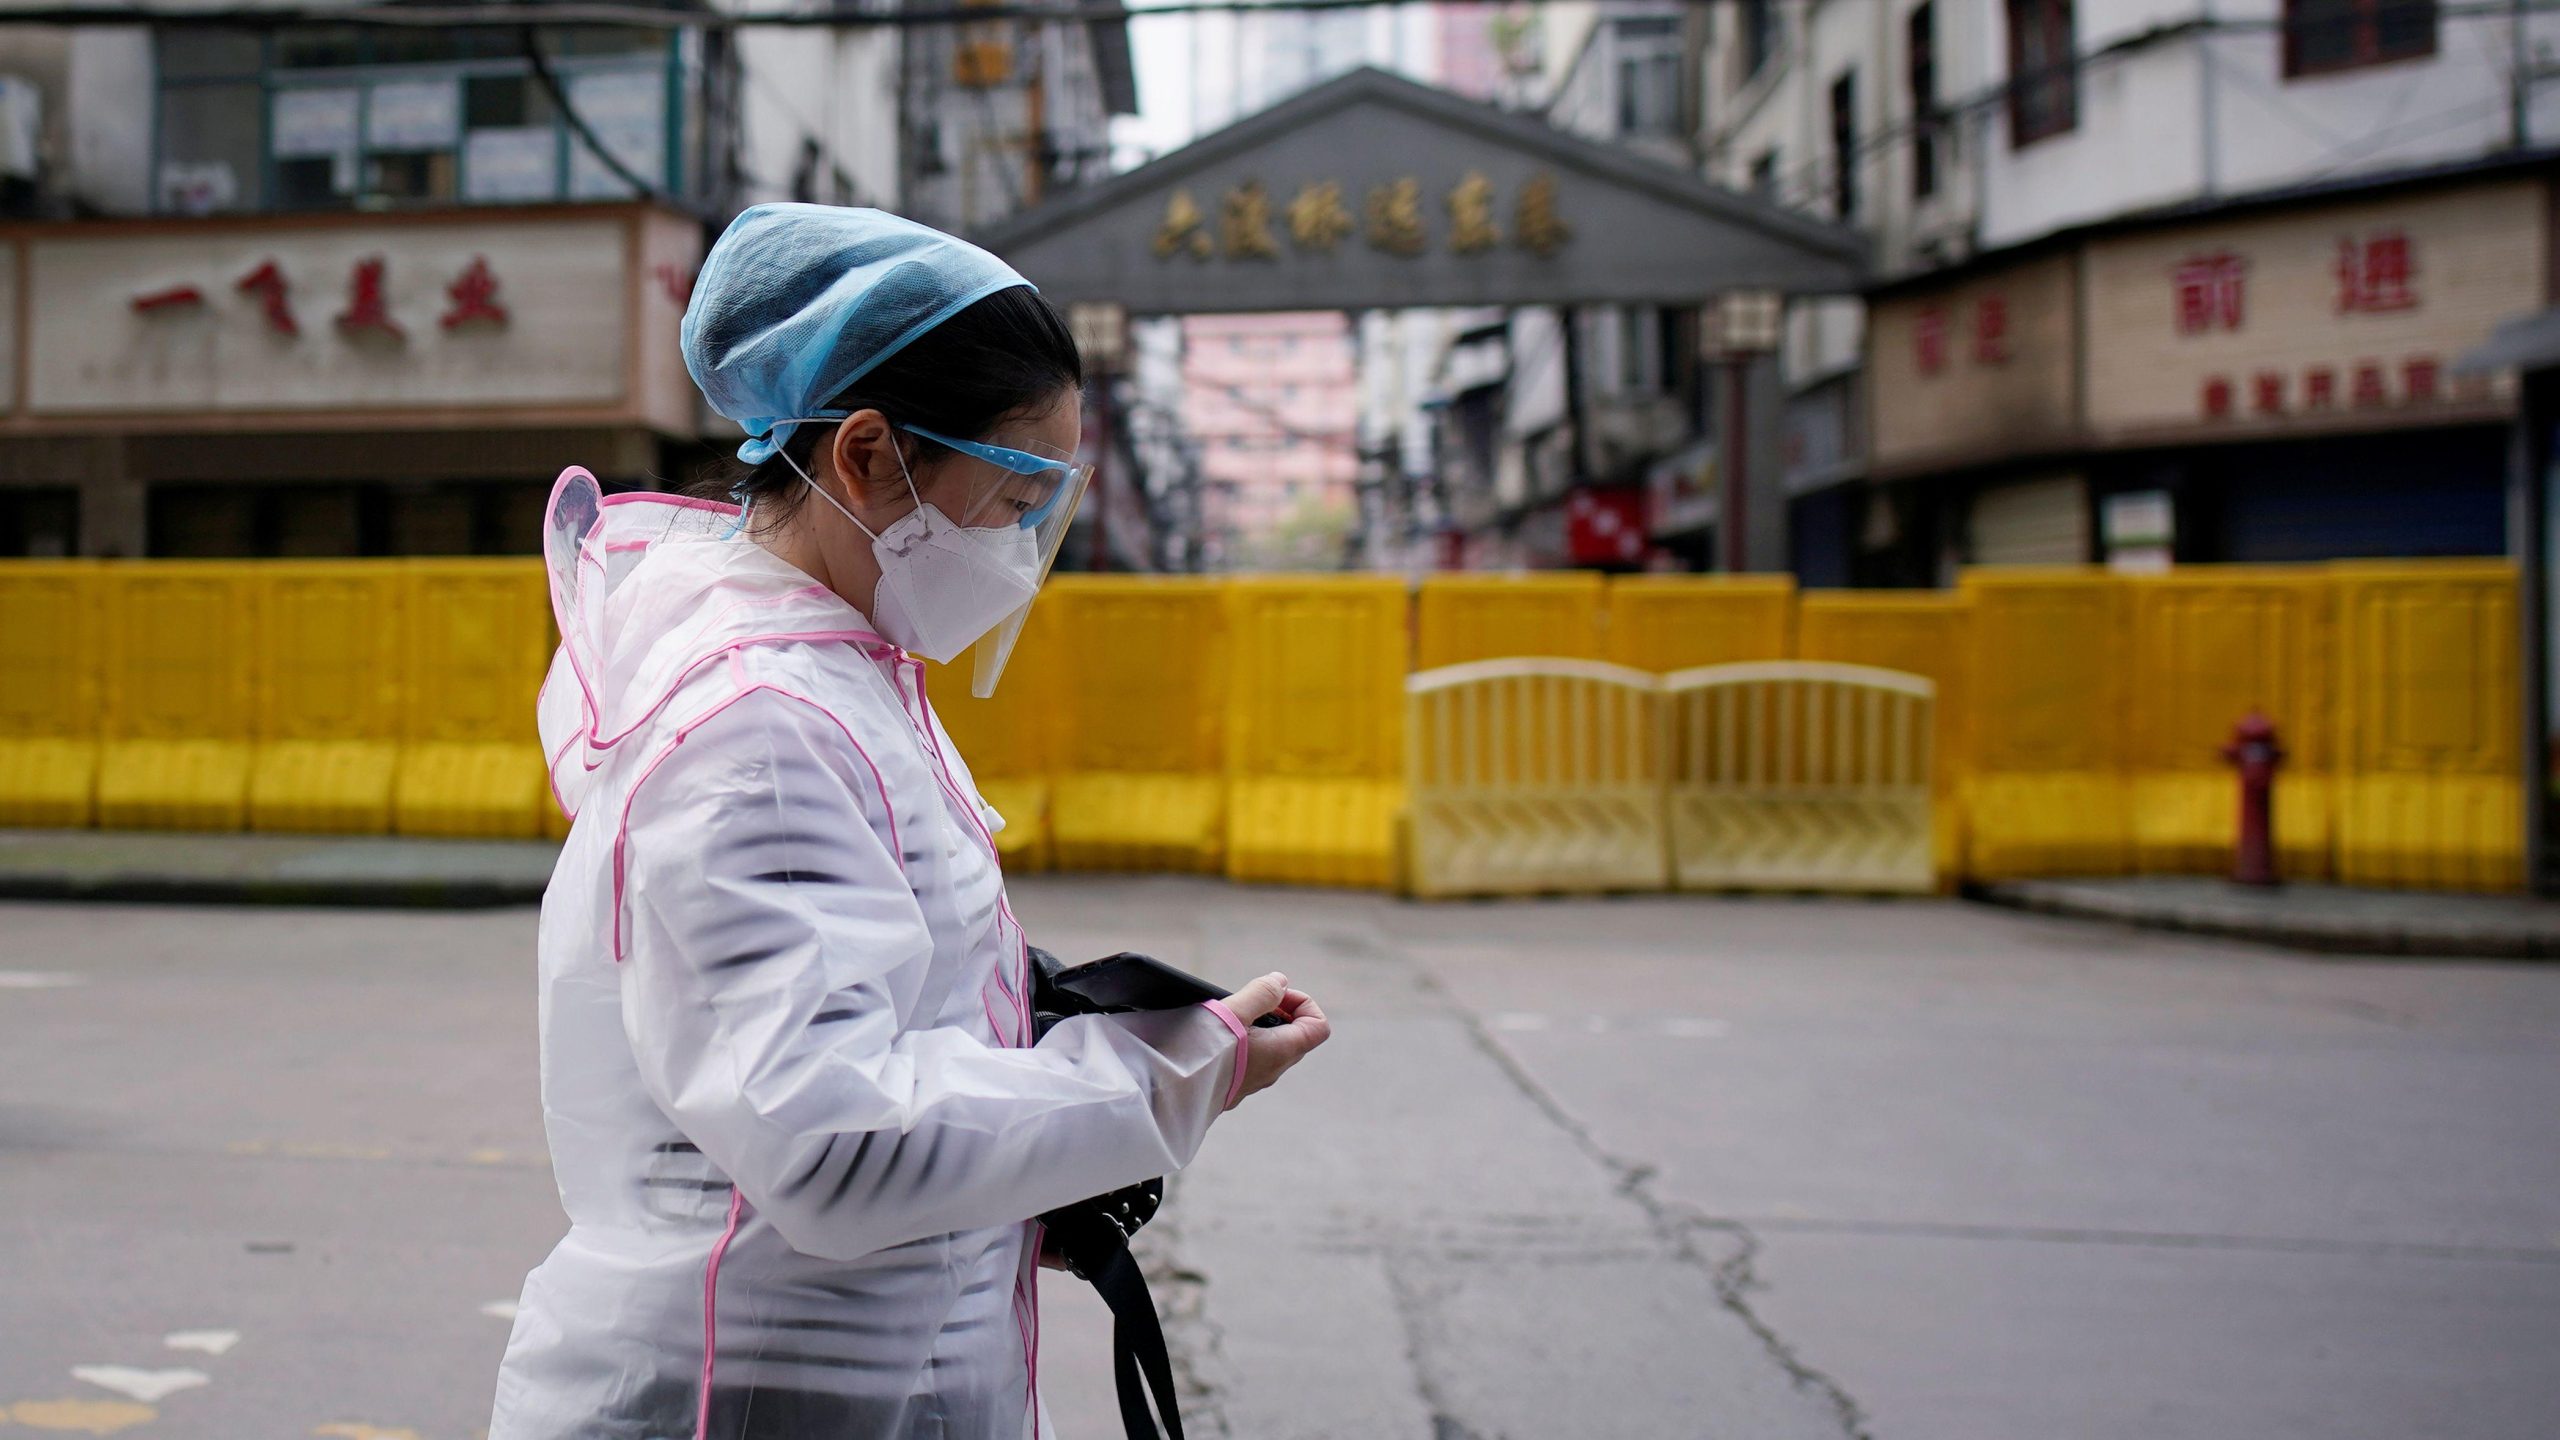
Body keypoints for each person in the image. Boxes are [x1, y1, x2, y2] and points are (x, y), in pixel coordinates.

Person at [490, 204, 1330, 1440]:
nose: (1025, 542)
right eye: (1016, 489)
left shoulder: (842, 674)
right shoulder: (757, 727)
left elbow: (870, 1045)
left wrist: (1046, 1148)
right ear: (869, 457)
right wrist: (1168, 1072)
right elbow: (830, 1144)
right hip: (746, 1398)